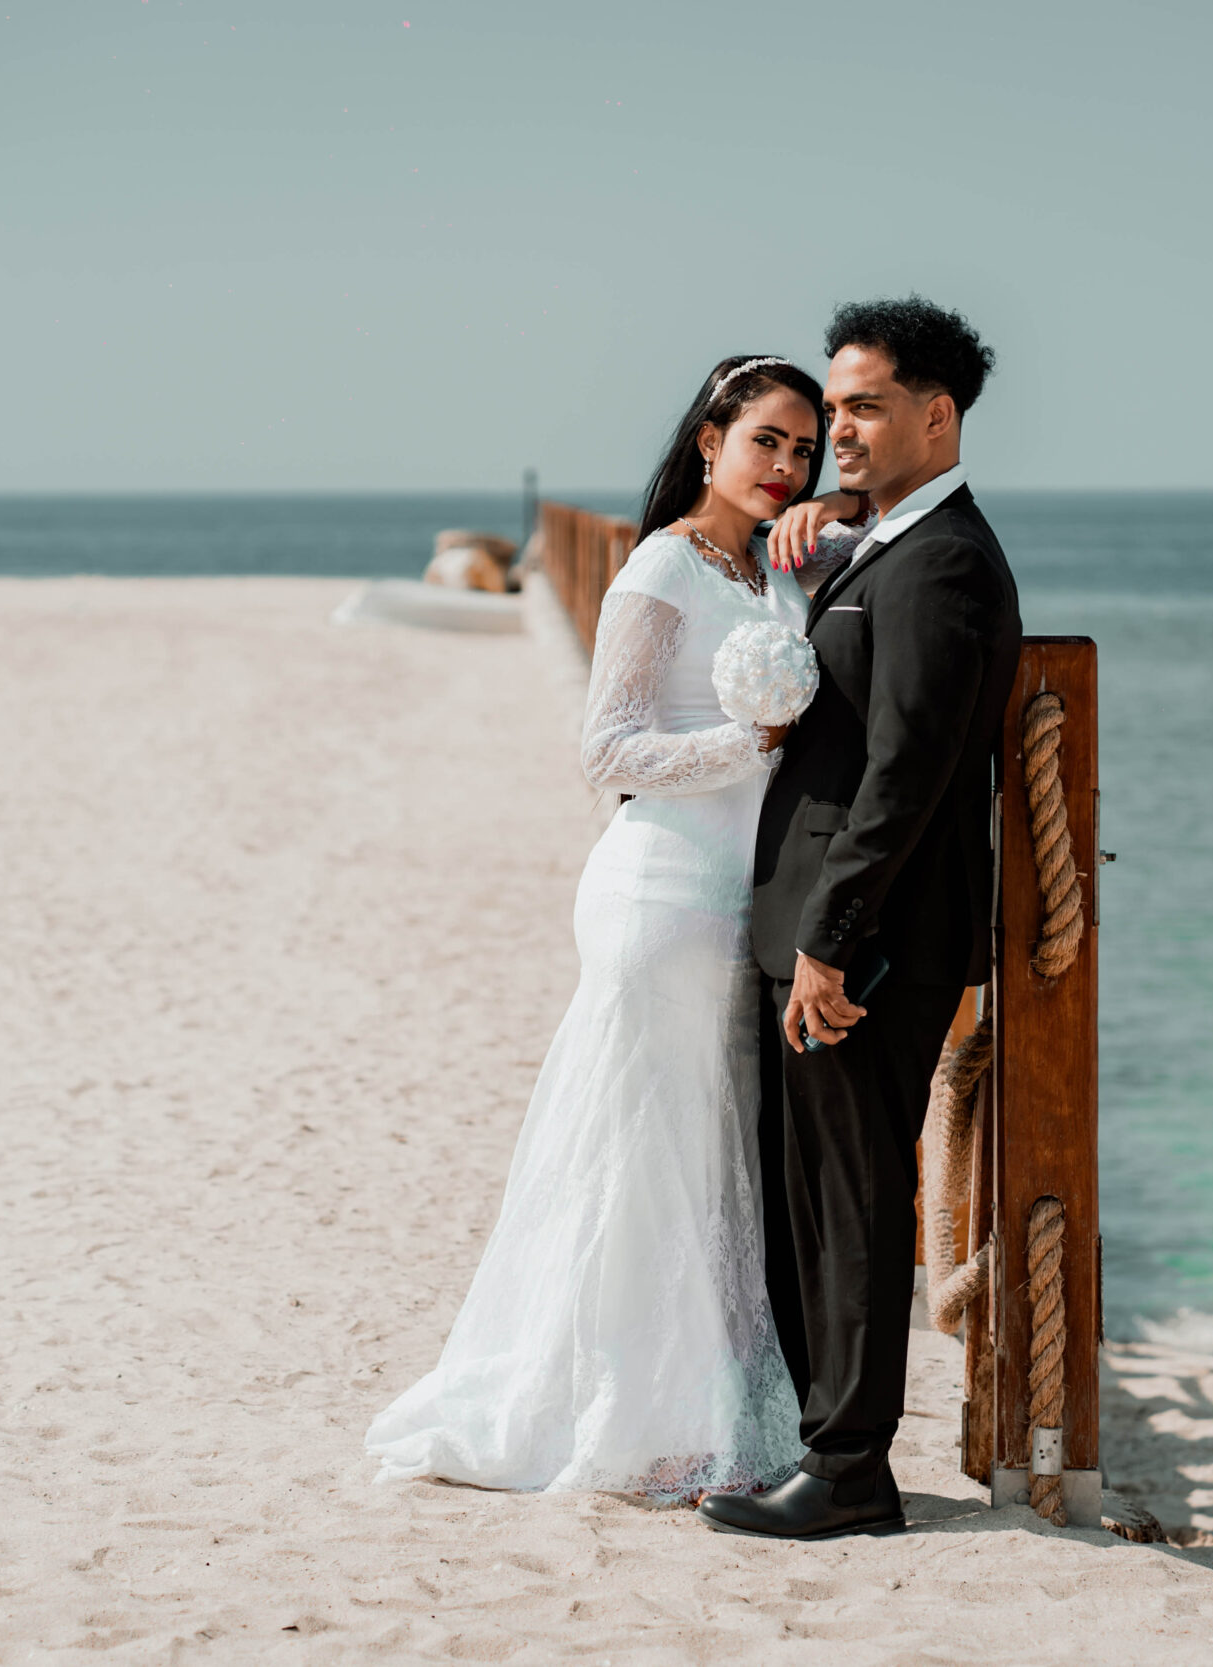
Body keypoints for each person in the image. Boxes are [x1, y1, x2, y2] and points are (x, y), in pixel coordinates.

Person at [365, 355, 860, 1498]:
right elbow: (609, 748)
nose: (786, 466)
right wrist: (756, 745)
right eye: (765, 443)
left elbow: (869, 537)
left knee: (703, 1156)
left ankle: (688, 1404)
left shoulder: (772, 560)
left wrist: (830, 511)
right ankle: (637, 1417)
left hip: (745, 893)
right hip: (661, 891)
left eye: (804, 448)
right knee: (653, 1158)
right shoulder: (659, 567)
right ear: (708, 442)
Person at [699, 298, 1022, 1539]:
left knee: (848, 1201)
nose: (838, 428)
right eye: (832, 406)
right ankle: (823, 1448)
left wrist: (831, 943)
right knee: (808, 1194)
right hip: (818, 931)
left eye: (866, 406)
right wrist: (824, 523)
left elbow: (907, 771)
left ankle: (847, 1472)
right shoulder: (885, 539)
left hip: (862, 946)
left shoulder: (944, 564)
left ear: (936, 417)